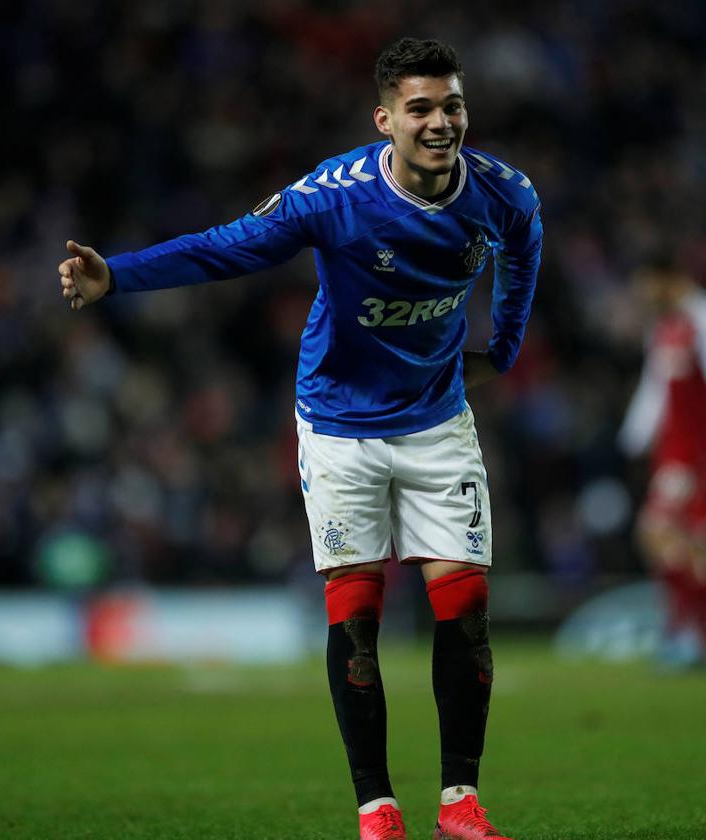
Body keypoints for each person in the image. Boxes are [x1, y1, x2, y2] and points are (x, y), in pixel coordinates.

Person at [59, 37, 541, 840]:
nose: (439, 122)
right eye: (419, 108)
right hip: (340, 424)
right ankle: (377, 809)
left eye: (451, 105)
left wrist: (509, 346)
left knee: (468, 601)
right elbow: (226, 248)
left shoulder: (504, 193)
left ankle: (460, 803)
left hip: (436, 421)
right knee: (357, 614)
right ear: (384, 118)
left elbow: (523, 257)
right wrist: (120, 275)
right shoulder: (334, 195)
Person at [619, 251, 706, 669]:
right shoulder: (665, 325)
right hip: (672, 451)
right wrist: (633, 437)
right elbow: (656, 386)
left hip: (697, 451)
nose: (642, 294)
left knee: (657, 531)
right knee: (693, 544)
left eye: (647, 284)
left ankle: (685, 632)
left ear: (669, 278)